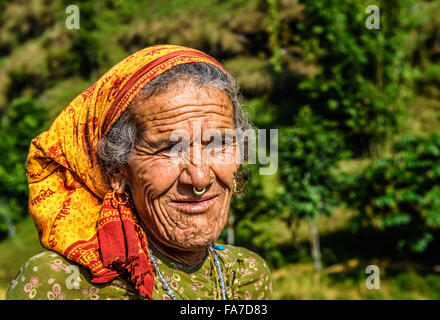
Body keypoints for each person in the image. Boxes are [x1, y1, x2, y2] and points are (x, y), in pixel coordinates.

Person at [5, 45, 272, 300]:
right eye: (169, 148)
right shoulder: (61, 282)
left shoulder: (247, 274)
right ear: (117, 171)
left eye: (219, 144)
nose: (200, 178)